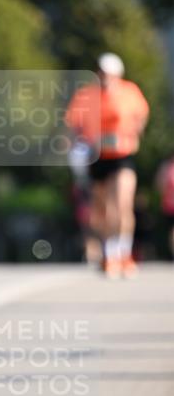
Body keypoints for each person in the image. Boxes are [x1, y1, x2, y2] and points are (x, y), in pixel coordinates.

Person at [65, 53, 149, 278]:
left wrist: (135, 130)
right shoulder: (86, 95)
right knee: (103, 209)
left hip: (122, 155)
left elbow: (141, 116)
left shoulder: (130, 92)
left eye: (109, 73)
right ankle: (109, 254)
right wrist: (75, 147)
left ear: (117, 74)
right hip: (97, 157)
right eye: (101, 72)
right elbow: (74, 125)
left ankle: (123, 253)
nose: (105, 77)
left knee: (122, 202)